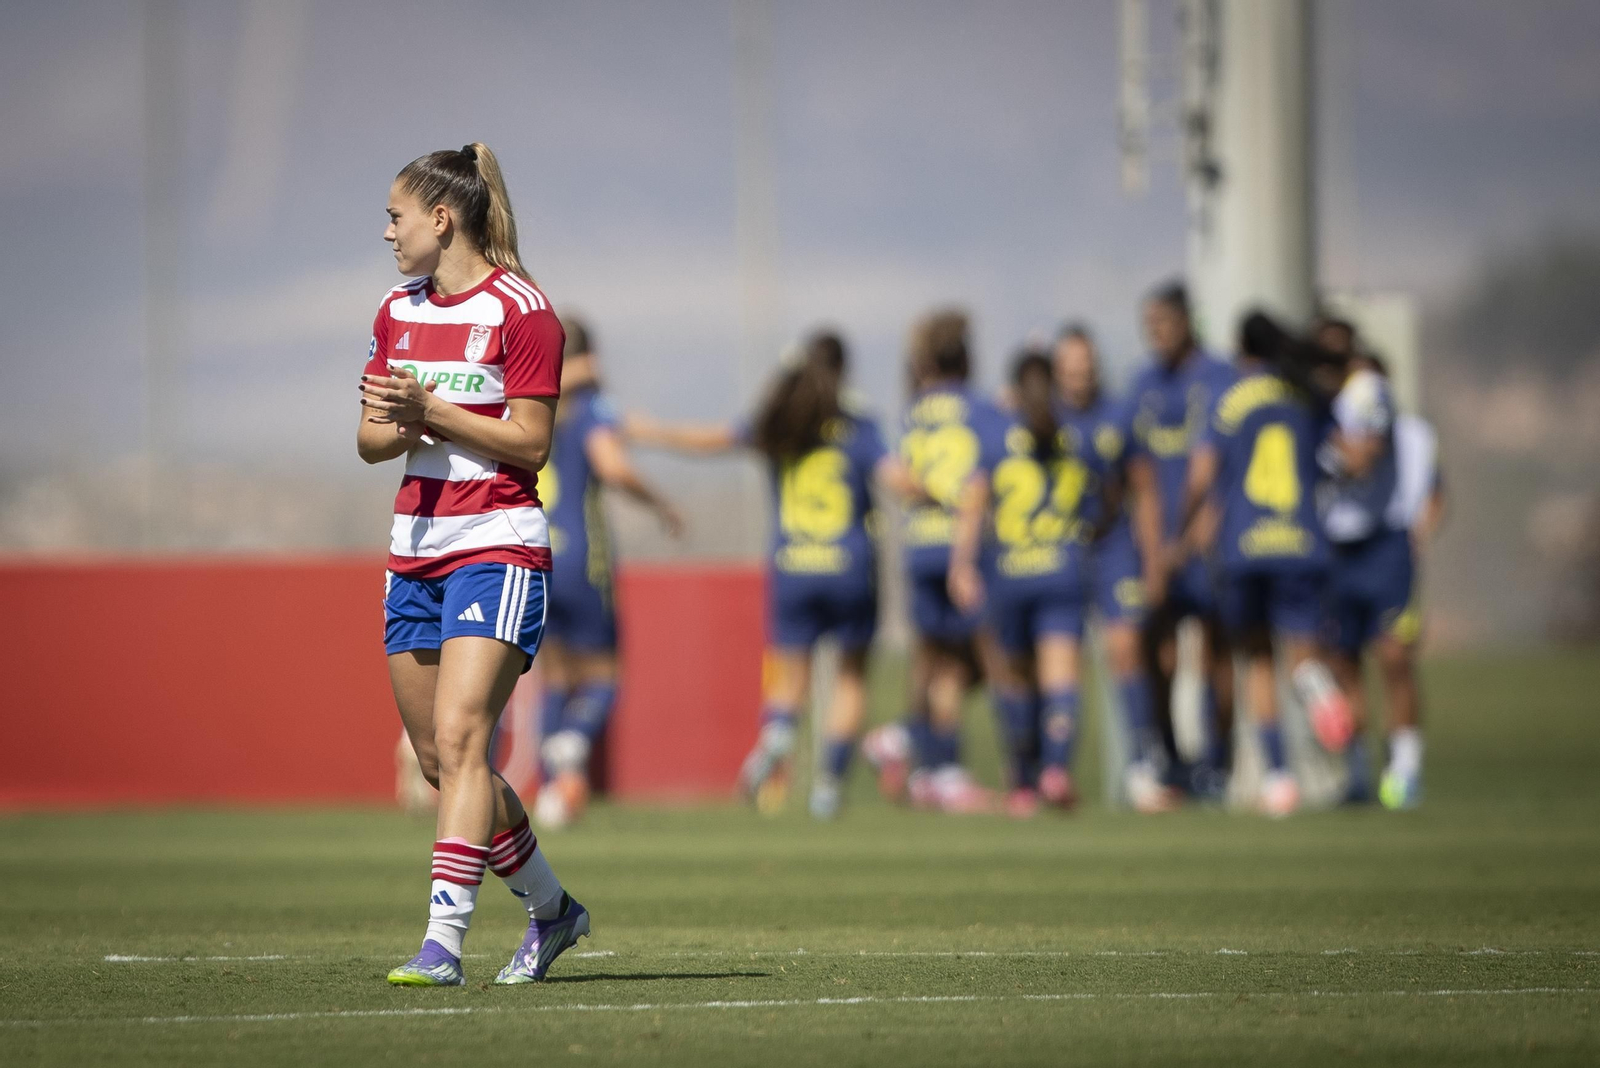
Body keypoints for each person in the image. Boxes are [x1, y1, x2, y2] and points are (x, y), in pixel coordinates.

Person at [358, 143, 588, 986]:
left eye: (396, 217)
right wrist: (405, 420)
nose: (388, 233)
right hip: (413, 551)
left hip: (497, 544)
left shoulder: (524, 311)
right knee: (440, 762)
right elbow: (369, 441)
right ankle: (553, 909)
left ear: (442, 217)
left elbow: (531, 441)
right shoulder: (396, 309)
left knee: (462, 740)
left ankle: (442, 946)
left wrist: (433, 408)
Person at [626, 332, 902, 819]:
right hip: (850, 567)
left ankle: (777, 735)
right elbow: (893, 474)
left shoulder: (779, 422)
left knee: (791, 679)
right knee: (850, 677)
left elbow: (709, 441)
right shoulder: (857, 424)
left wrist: (652, 432)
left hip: (793, 566)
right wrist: (941, 493)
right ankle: (828, 787)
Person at [1177, 312, 1353, 817]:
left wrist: (1184, 527)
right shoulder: (1302, 395)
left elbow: (1202, 474)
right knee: (1302, 650)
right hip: (1299, 539)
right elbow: (1340, 456)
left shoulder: (1229, 397)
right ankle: (1316, 687)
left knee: (1256, 659)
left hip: (1244, 546)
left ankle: (1278, 779)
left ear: (1242, 351)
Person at [527, 315, 683, 828]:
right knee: (604, 677)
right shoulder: (590, 407)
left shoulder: (532, 402)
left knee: (554, 677)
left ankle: (550, 794)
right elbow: (612, 466)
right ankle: (574, 741)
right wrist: (660, 504)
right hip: (582, 557)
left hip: (533, 555)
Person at [951, 351, 1108, 816]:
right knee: (1061, 675)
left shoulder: (995, 434)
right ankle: (1056, 771)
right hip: (1063, 568)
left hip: (1011, 573)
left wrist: (962, 565)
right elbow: (1104, 498)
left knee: (1015, 681)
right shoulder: (1078, 434)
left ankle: (1021, 783)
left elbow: (974, 503)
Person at [863, 310, 1007, 813]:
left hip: (919, 545)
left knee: (934, 661)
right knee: (987, 660)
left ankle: (925, 763)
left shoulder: (915, 412)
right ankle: (928, 752)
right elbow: (982, 481)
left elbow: (899, 476)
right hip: (962, 547)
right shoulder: (980, 409)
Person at [1053, 325, 1179, 812]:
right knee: (1061, 661)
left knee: (1125, 648)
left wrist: (1153, 560)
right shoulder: (1042, 416)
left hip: (1114, 548)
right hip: (1059, 549)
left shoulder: (1120, 414)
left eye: (1085, 369)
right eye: (1070, 371)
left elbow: (1144, 490)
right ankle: (1052, 771)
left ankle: (1144, 767)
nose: (1078, 378)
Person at [1125, 282, 1240, 794]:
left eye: (1163, 323)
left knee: (1216, 652)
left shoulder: (1218, 378)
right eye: (1148, 326)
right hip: (1157, 545)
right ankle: (1170, 758)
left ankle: (1218, 762)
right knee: (1160, 653)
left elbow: (1225, 468)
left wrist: (1195, 535)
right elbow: (1134, 470)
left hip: (1209, 542)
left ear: (1186, 321)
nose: (1156, 334)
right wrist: (1155, 550)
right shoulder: (1142, 385)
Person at [1318, 348, 1442, 809]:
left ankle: (1405, 768)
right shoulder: (1323, 426)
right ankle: (1356, 773)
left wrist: (1419, 535)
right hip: (1338, 552)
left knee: (1395, 657)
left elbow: (1433, 491)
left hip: (1388, 550)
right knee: (1344, 663)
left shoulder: (1412, 434)